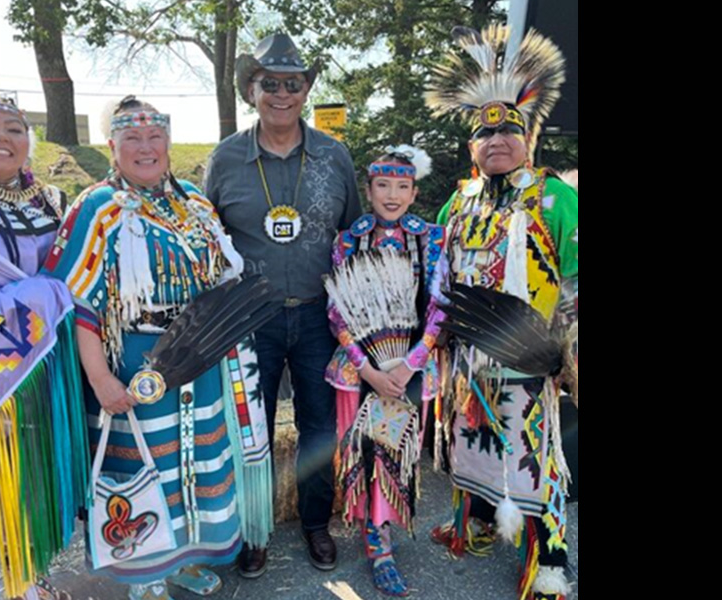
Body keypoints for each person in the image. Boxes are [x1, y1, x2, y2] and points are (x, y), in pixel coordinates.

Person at [42, 96, 272, 600]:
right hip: (137, 360)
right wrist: (101, 378)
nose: (145, 148)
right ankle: (145, 572)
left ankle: (185, 557)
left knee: (198, 457)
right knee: (146, 462)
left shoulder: (194, 202)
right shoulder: (97, 207)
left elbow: (224, 277)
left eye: (154, 138)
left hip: (201, 358)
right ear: (113, 147)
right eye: (132, 139)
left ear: (168, 144)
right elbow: (77, 304)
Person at [425, 25, 578, 600]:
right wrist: (434, 337)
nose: (496, 140)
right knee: (475, 445)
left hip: (529, 356)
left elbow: (576, 278)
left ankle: (552, 561)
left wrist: (567, 353)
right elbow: (437, 275)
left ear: (529, 139)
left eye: (508, 130)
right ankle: (481, 524)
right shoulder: (457, 201)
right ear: (471, 148)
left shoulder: (554, 198)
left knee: (536, 456)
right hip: (468, 358)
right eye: (485, 134)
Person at [204, 32, 362, 578]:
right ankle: (255, 530)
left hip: (321, 316)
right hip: (251, 319)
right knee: (251, 430)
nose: (281, 94)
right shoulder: (225, 159)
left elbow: (354, 236)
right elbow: (206, 241)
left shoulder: (334, 156)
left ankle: (317, 523)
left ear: (305, 92)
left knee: (320, 426)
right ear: (252, 89)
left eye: (292, 84)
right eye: (269, 83)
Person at [0, 92, 84, 600]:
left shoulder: (50, 200)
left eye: (15, 128)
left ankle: (38, 566)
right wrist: (29, 300)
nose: (2, 137)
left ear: (29, 141)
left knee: (42, 464)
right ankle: (20, 579)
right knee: (1, 470)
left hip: (49, 359)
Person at [324, 145, 446, 596]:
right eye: (382, 185)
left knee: (396, 454)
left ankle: (385, 533)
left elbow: (440, 306)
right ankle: (375, 539)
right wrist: (369, 369)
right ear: (368, 189)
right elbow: (337, 313)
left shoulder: (433, 239)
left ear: (414, 192)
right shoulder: (348, 240)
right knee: (366, 453)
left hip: (409, 368)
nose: (391, 195)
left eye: (402, 186)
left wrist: (410, 364)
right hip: (360, 371)